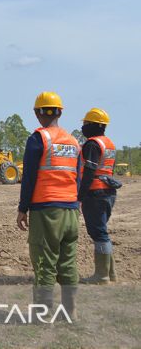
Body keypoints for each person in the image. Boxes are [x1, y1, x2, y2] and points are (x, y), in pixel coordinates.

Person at [16, 91, 80, 317]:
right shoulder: (73, 141)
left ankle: (42, 315)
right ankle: (70, 312)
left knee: (45, 262)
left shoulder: (38, 139)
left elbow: (30, 177)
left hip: (46, 211)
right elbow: (77, 176)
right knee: (68, 262)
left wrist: (23, 208)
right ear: (60, 112)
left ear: (37, 113)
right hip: (71, 211)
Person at [78, 108, 117, 284]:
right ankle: (110, 273)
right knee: (102, 230)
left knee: (99, 232)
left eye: (85, 124)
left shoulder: (92, 144)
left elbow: (89, 171)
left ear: (93, 125)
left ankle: (101, 276)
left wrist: (80, 195)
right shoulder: (109, 144)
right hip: (109, 192)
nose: (83, 127)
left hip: (96, 193)